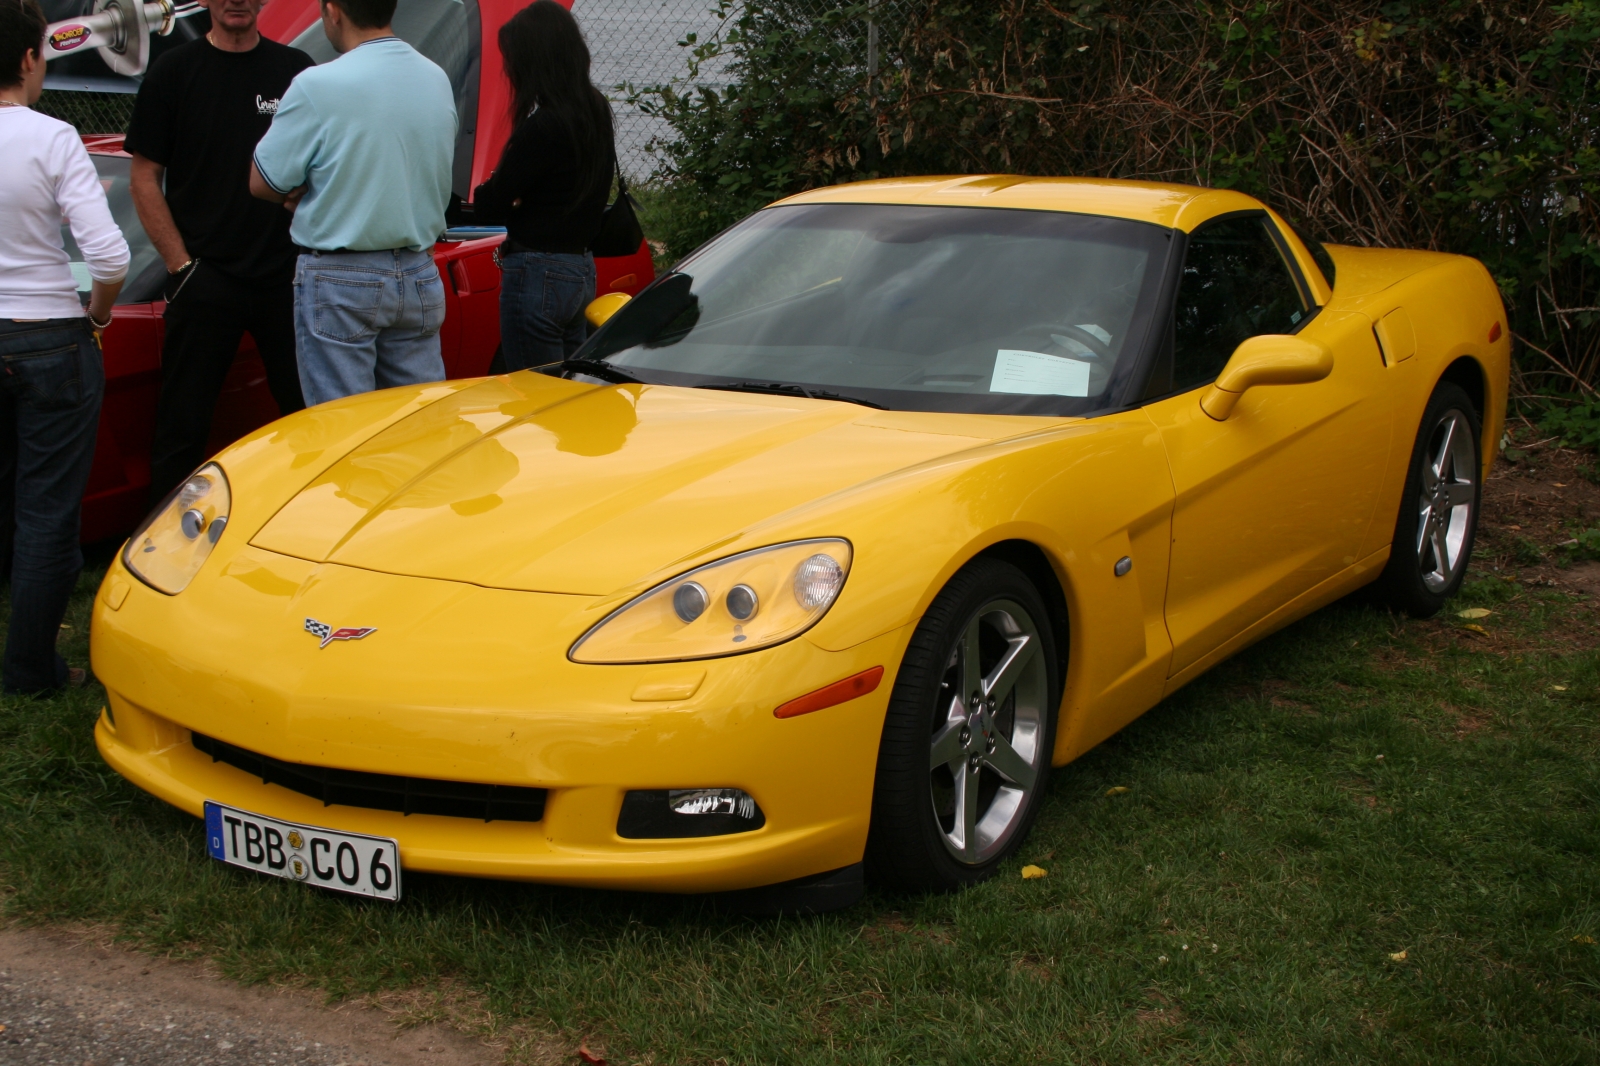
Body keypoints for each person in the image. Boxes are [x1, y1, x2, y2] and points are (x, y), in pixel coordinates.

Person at [126, 0, 313, 504]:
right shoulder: (175, 71)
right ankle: (160, 548)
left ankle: (313, 534)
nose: (236, 1)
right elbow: (144, 175)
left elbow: (324, 165)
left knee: (311, 418)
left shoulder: (297, 72)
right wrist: (181, 267)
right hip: (204, 280)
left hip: (286, 279)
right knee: (182, 427)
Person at [0, 0, 129, 693]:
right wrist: (98, 316)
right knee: (46, 511)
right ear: (28, 59)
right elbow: (107, 258)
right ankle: (31, 670)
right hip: (51, 334)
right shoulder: (52, 137)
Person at [249, 0, 457, 406]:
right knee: (416, 422)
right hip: (418, 270)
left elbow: (263, 182)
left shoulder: (317, 84)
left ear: (333, 10)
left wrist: (310, 194)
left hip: (340, 276)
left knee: (343, 427)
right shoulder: (435, 77)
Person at [472, 0, 616, 371]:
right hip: (580, 267)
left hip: (537, 270)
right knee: (568, 387)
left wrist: (498, 191)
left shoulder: (542, 126)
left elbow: (492, 203)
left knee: (533, 392)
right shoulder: (595, 110)